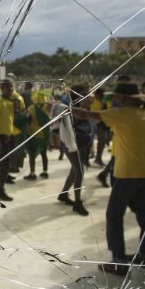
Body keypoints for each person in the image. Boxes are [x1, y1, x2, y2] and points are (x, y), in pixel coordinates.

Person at [75, 82, 145, 275]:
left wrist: (63, 109)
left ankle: (119, 261)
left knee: (114, 215)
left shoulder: (123, 114)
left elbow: (88, 115)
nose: (115, 100)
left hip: (127, 173)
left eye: (117, 97)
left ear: (124, 98)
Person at [58, 86, 90, 216]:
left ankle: (64, 194)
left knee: (75, 170)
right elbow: (71, 125)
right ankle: (77, 202)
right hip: (72, 144)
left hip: (81, 143)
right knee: (79, 171)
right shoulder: (72, 109)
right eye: (85, 94)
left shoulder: (84, 107)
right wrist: (83, 107)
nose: (88, 97)